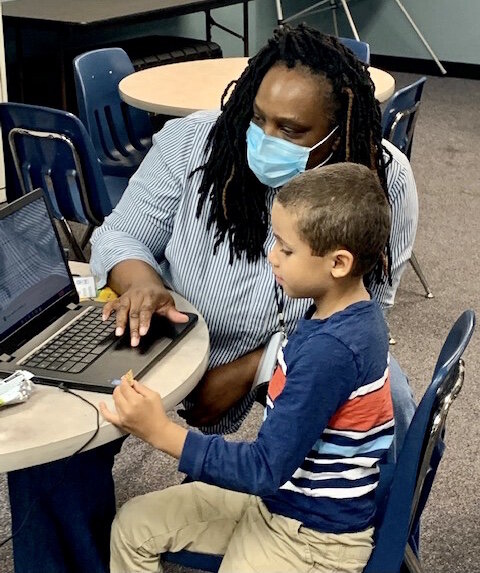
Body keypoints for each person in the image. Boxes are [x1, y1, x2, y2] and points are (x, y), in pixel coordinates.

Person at [6, 24, 416, 573]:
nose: (265, 138)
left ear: (336, 137)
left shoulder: (379, 181)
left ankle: (370, 543)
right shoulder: (193, 143)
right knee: (59, 418)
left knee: (398, 399)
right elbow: (119, 235)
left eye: (291, 130)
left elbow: (366, 309)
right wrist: (141, 281)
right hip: (173, 334)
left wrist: (260, 367)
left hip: (299, 355)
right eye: (257, 119)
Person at [100, 162, 394, 573]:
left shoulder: (331, 351)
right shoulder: (348, 311)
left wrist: (160, 432)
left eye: (286, 250)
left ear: (339, 263)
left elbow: (264, 469)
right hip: (279, 500)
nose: (271, 257)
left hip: (311, 538)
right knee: (134, 526)